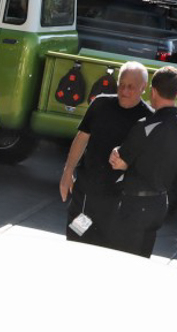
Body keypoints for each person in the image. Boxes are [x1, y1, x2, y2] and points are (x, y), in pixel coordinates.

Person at [58, 61, 150, 247]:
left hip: (117, 201)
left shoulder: (148, 118)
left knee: (105, 250)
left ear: (143, 88)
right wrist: (67, 172)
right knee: (75, 242)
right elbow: (82, 138)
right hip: (85, 194)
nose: (124, 91)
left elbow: (149, 164)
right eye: (121, 85)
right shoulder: (100, 103)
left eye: (131, 87)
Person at [107, 64, 177, 259]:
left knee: (123, 261)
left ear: (152, 91)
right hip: (160, 203)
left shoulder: (145, 125)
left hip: (136, 205)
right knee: (143, 261)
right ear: (176, 93)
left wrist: (117, 152)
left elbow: (119, 163)